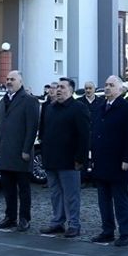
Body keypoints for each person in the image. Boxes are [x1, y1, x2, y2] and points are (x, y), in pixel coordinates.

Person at [39, 77, 90, 238]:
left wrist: (80, 159)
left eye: (62, 87)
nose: (58, 90)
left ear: (71, 90)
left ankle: (74, 224)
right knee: (55, 193)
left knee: (71, 195)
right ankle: (57, 222)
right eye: (57, 87)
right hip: (51, 159)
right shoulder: (50, 108)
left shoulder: (78, 108)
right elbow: (45, 133)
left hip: (70, 161)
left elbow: (84, 136)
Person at [90, 76, 128, 246]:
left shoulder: (127, 108)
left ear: (120, 88)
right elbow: (95, 131)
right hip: (101, 160)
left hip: (119, 162)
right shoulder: (100, 106)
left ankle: (126, 232)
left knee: (120, 198)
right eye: (106, 85)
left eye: (111, 85)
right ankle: (107, 230)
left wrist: (127, 159)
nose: (108, 88)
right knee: (103, 199)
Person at [0, 70, 40, 232]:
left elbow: (32, 127)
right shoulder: (3, 101)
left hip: (21, 153)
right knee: (8, 188)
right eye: (7, 79)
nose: (9, 81)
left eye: (12, 79)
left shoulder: (29, 101)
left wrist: (26, 149)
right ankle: (10, 217)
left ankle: (24, 218)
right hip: (5, 152)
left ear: (20, 81)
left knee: (24, 189)